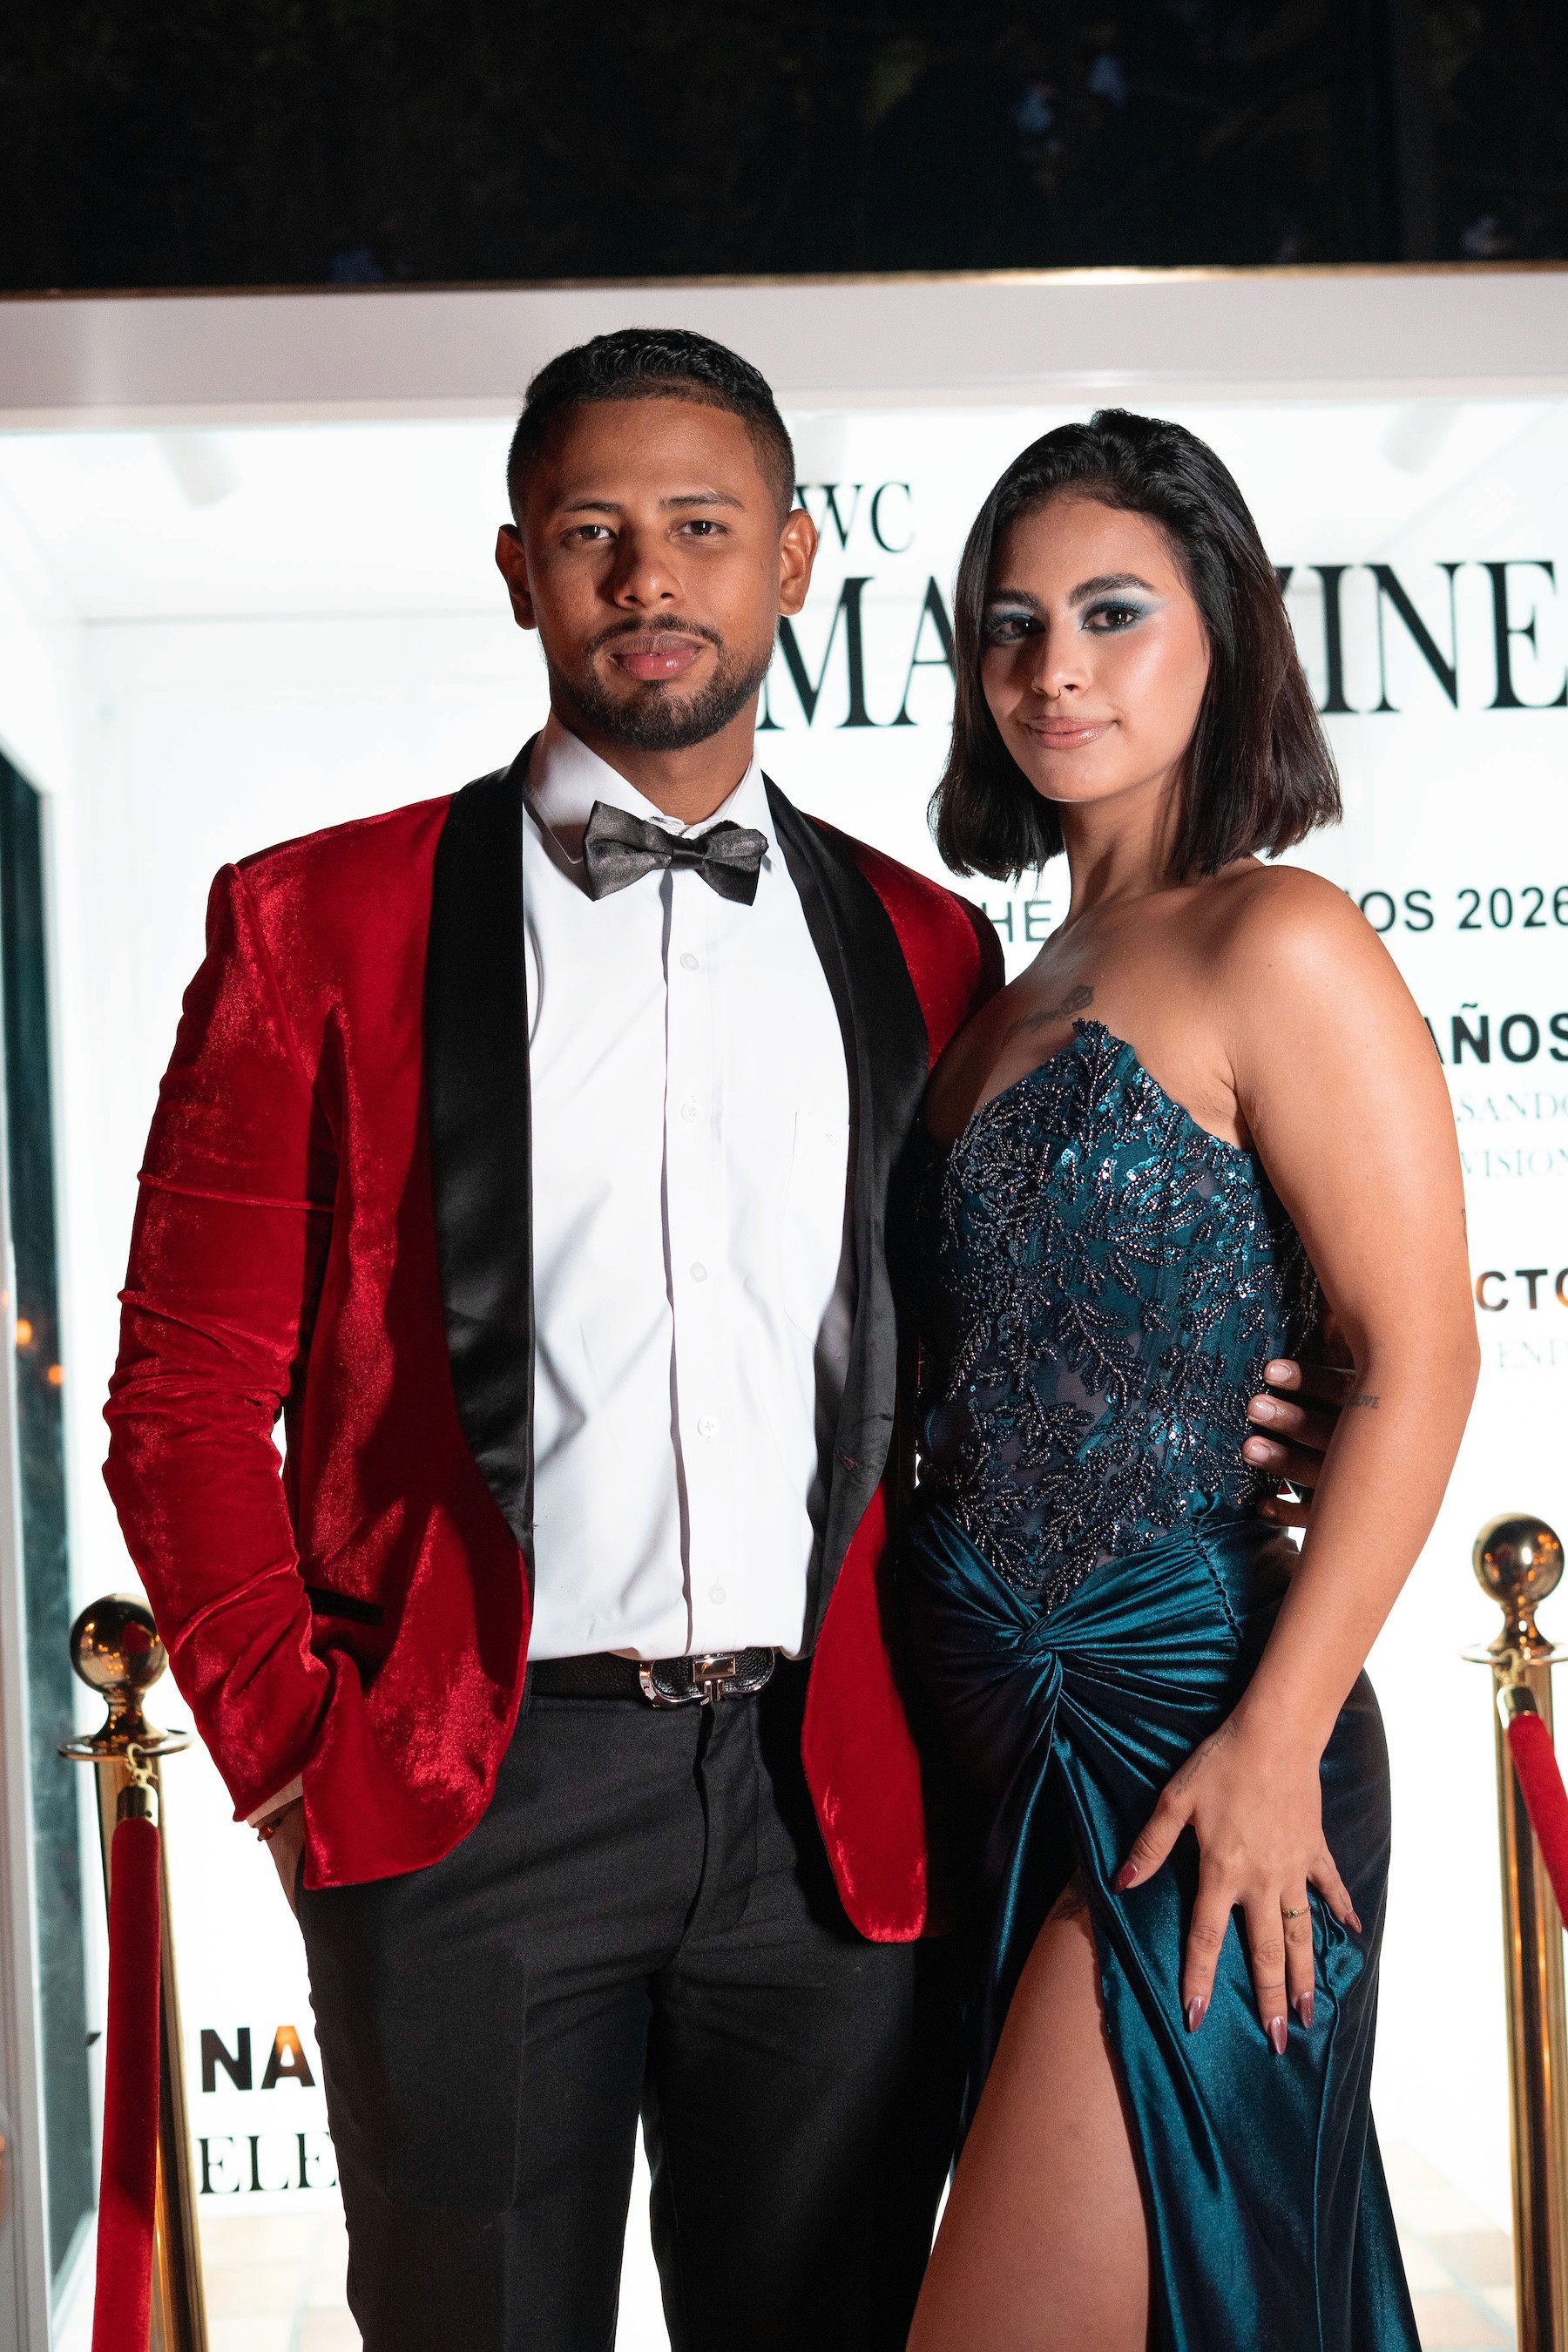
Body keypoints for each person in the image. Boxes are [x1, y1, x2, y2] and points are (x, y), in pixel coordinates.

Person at [101, 338, 1338, 2352]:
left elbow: (1022, 1314)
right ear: (519, 568)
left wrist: (1252, 1409)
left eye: (699, 525)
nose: (648, 576)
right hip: (472, 1797)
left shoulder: (925, 945)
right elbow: (175, 1402)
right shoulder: (311, 924)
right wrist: (302, 1768)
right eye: (592, 530)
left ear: (792, 561)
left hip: (830, 1797)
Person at [898, 410, 1477, 2352]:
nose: (1053, 668)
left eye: (1113, 612)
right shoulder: (1003, 991)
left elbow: (1421, 1355)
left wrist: (1273, 1746)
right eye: (1011, 624)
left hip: (1202, 1736)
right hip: (993, 1749)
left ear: (1223, 630)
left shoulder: (1275, 937)